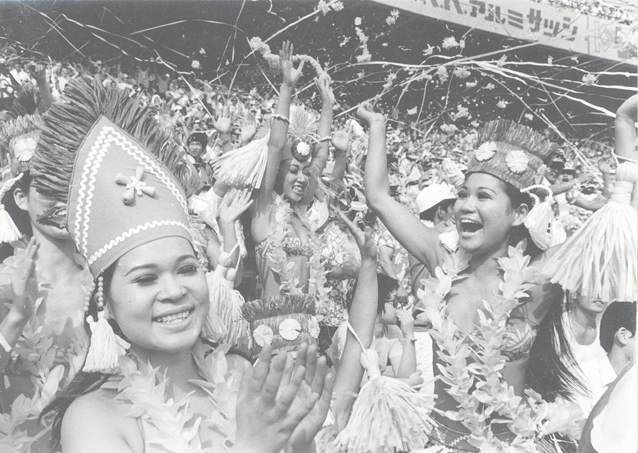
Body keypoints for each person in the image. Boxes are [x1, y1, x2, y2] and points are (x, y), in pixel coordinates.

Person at [33, 77, 332, 453]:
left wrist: (301, 445)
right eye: (145, 279)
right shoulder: (93, 417)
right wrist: (253, 446)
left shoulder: (245, 377)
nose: (175, 291)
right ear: (104, 301)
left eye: (187, 269)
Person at [361, 101, 585, 451]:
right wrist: (377, 126)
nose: (466, 205)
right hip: (436, 441)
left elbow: (611, 236)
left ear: (520, 212)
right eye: (464, 194)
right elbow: (377, 197)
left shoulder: (541, 277)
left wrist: (625, 157)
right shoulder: (439, 256)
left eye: (483, 196)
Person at [249, 41, 333, 299]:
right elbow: (275, 146)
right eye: (294, 170)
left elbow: (319, 157)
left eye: (304, 173)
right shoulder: (263, 206)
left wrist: (328, 106)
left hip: (309, 328)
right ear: (275, 173)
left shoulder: (302, 212)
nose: (302, 178)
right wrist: (286, 88)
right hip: (273, 330)